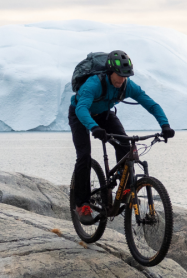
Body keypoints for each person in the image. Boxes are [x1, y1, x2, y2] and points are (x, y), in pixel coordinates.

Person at [69, 50, 174, 220]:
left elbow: (151, 105)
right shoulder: (93, 84)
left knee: (125, 145)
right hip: (80, 114)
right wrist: (94, 128)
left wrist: (165, 125)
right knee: (84, 156)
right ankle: (82, 204)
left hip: (104, 114)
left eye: (125, 76)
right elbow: (81, 109)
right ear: (110, 72)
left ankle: (123, 186)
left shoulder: (127, 85)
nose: (121, 79)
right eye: (119, 75)